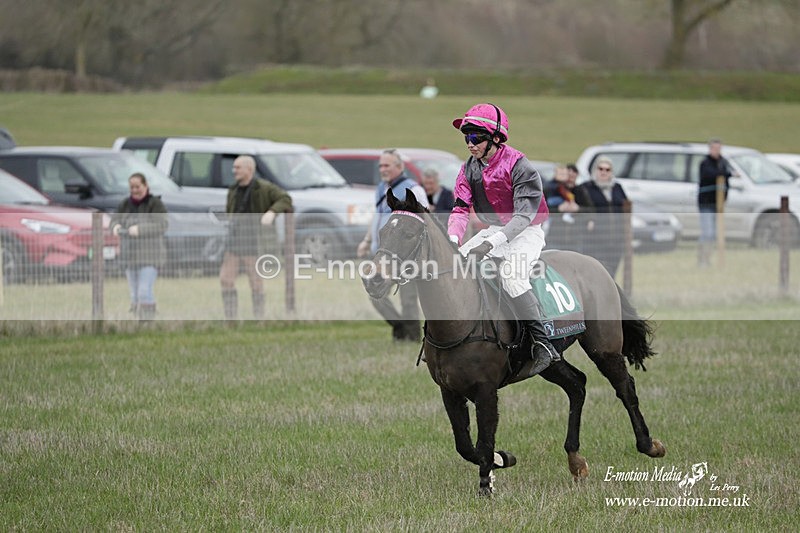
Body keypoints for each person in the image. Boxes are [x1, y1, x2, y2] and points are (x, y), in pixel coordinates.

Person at [447, 103, 559, 377]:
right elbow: (460, 209)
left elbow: (522, 217)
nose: (470, 144)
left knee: (511, 275)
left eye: (476, 138)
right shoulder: (468, 168)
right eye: (466, 138)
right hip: (494, 229)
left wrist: (490, 243)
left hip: (526, 231)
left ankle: (543, 342)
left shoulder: (521, 166)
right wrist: (453, 240)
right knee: (455, 266)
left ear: (495, 138)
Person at [358, 149, 429, 342]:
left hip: (404, 254)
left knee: (408, 299)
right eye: (380, 165)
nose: (383, 169)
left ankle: (412, 337)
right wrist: (367, 240)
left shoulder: (414, 190)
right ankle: (400, 327)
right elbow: (377, 216)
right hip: (383, 254)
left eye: (387, 165)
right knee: (375, 293)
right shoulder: (382, 188)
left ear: (400, 167)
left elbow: (424, 221)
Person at [221, 155, 292, 320]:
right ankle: (230, 319)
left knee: (255, 281)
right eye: (234, 167)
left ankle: (258, 318)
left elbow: (285, 199)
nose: (234, 171)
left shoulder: (264, 188)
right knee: (225, 279)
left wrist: (271, 213)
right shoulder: (233, 190)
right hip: (234, 241)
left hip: (254, 242)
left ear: (249, 169)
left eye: (238, 167)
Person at [110, 173, 168, 321]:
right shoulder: (125, 204)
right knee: (134, 294)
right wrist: (115, 226)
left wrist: (140, 230)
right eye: (132, 187)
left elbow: (162, 225)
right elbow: (114, 219)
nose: (135, 190)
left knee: (143, 290)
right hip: (129, 256)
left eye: (138, 186)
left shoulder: (155, 204)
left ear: (145, 185)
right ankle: (137, 321)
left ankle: (148, 321)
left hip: (150, 256)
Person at [575, 156, 628, 278]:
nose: (604, 172)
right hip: (595, 239)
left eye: (607, 170)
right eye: (601, 169)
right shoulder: (585, 188)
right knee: (597, 272)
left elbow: (625, 206)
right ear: (595, 170)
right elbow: (581, 209)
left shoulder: (617, 188)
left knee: (612, 273)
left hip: (616, 239)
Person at [697, 138, 733, 266]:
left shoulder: (723, 162)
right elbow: (711, 175)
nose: (717, 151)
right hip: (706, 204)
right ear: (710, 149)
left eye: (719, 148)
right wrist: (726, 174)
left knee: (715, 234)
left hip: (718, 204)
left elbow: (726, 177)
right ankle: (702, 259)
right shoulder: (705, 163)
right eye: (714, 148)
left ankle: (710, 259)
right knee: (707, 233)